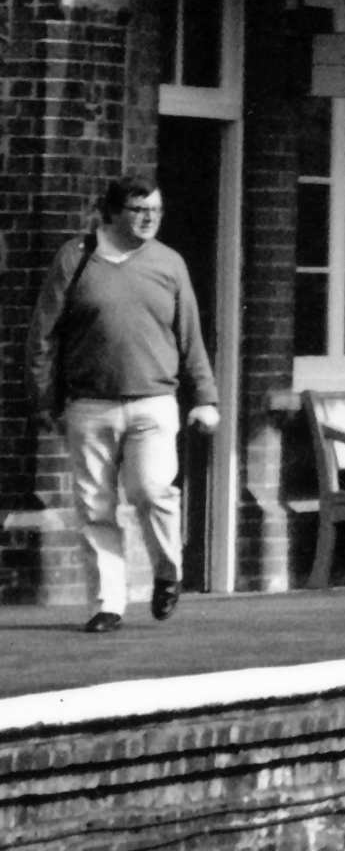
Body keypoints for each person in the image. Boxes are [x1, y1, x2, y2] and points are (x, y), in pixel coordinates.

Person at [29, 176, 220, 631]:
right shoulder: (75, 259)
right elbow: (43, 335)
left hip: (154, 401)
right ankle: (108, 603)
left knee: (151, 491)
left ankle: (166, 572)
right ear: (111, 212)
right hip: (88, 404)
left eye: (155, 209)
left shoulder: (170, 264)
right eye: (138, 209)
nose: (150, 217)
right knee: (95, 507)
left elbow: (190, 337)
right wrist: (41, 399)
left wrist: (205, 397)